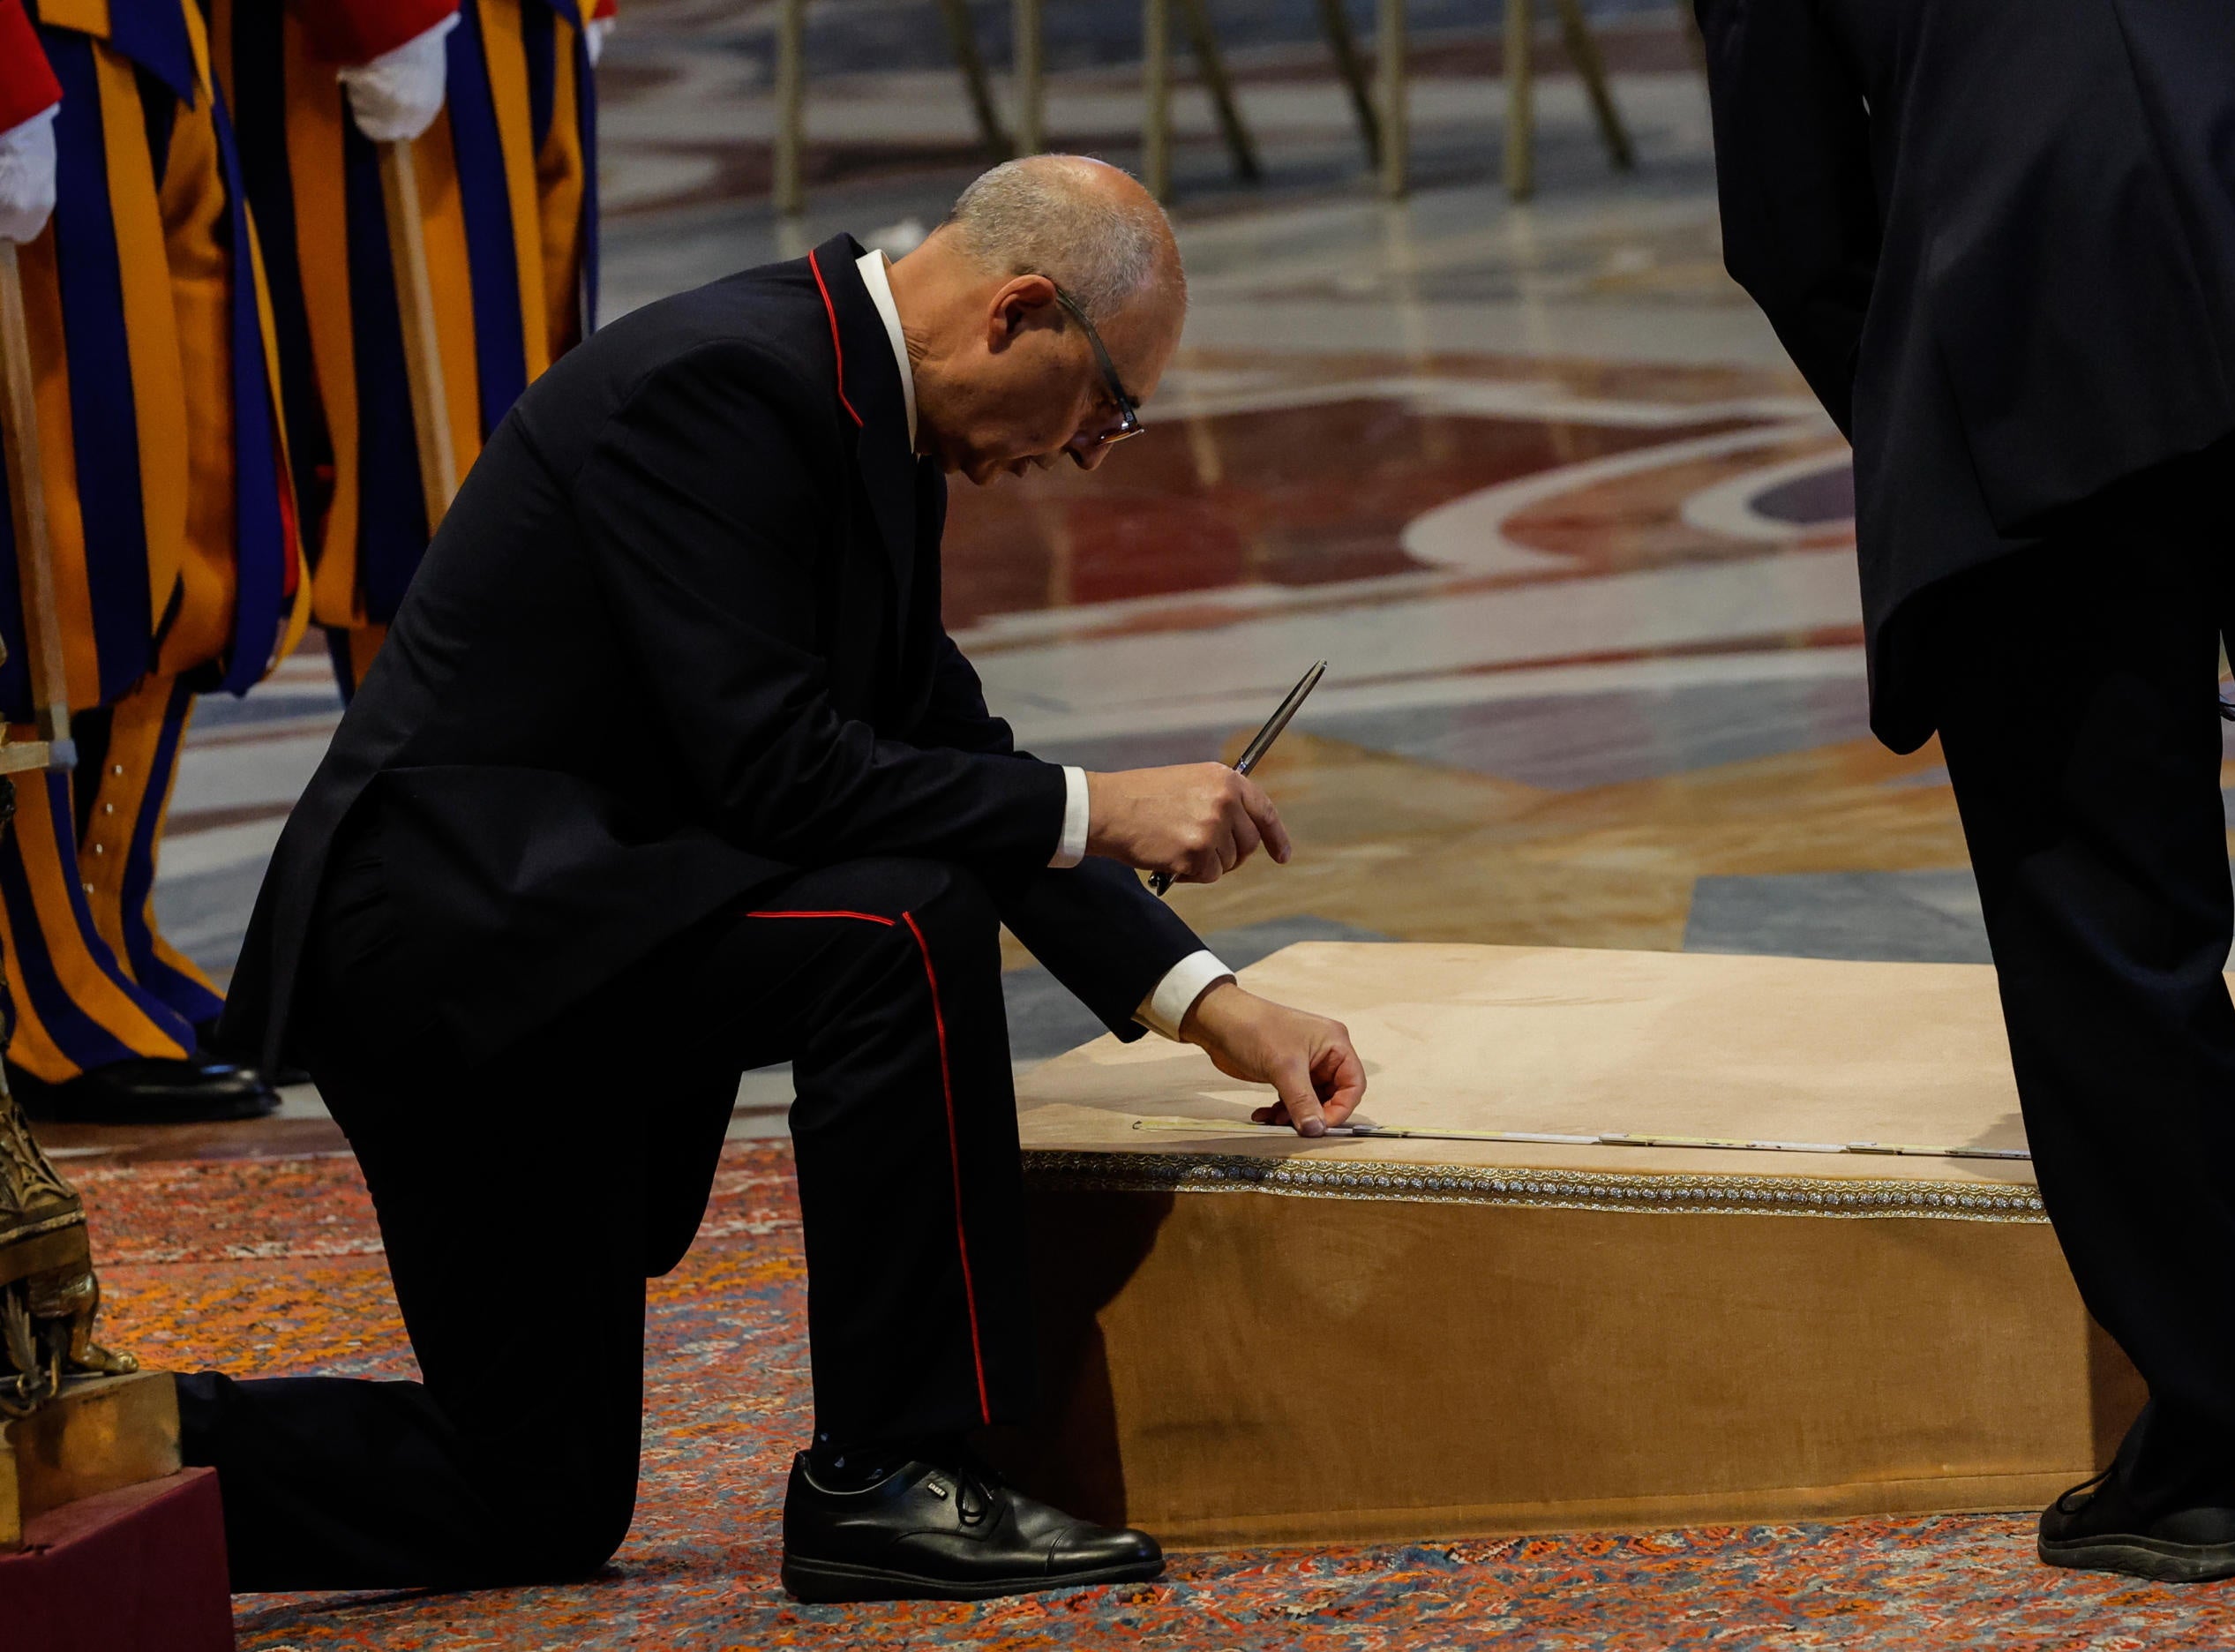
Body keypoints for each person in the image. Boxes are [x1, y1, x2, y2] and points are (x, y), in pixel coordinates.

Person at [187, 154, 1369, 1603]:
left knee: (530, 1498)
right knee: (897, 926)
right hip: (457, 951)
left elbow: (941, 748)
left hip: (568, 942)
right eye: (1108, 407)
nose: (1090, 453)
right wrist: (1101, 807)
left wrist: (1211, 1005)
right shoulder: (724, 387)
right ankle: (890, 1474)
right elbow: (782, 774)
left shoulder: (862, 408)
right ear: (1017, 314)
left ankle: (101, 1457)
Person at [1701, 0, 2235, 1581]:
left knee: (2107, 922)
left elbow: (1793, 218)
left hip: (2018, 282)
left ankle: (2207, 1455)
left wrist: (1932, 386)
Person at [0, 0, 304, 1124]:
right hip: (37, 35)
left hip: (151, 28)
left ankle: (105, 926)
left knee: (178, 504)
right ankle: (40, 981)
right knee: (58, 520)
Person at [218, 0, 604, 695]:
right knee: (401, 467)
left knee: (534, 408)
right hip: (372, 32)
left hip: (506, 26)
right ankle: (426, 749)